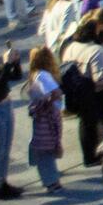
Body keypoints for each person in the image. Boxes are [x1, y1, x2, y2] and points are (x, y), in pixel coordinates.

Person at [24, 45, 63, 192]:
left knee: (45, 146)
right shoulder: (43, 75)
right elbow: (56, 93)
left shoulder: (36, 75)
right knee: (46, 148)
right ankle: (50, 181)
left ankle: (50, 177)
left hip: (44, 115)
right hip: (48, 115)